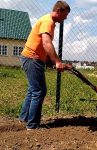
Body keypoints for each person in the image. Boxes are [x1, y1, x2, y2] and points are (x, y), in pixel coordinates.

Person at [19, 0, 72, 130]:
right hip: (32, 58)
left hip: (31, 58)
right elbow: (46, 43)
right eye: (65, 14)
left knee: (33, 90)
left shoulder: (49, 22)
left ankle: (24, 118)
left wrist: (51, 61)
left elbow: (43, 47)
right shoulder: (47, 22)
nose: (66, 18)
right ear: (58, 10)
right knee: (39, 91)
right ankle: (32, 125)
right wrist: (57, 62)